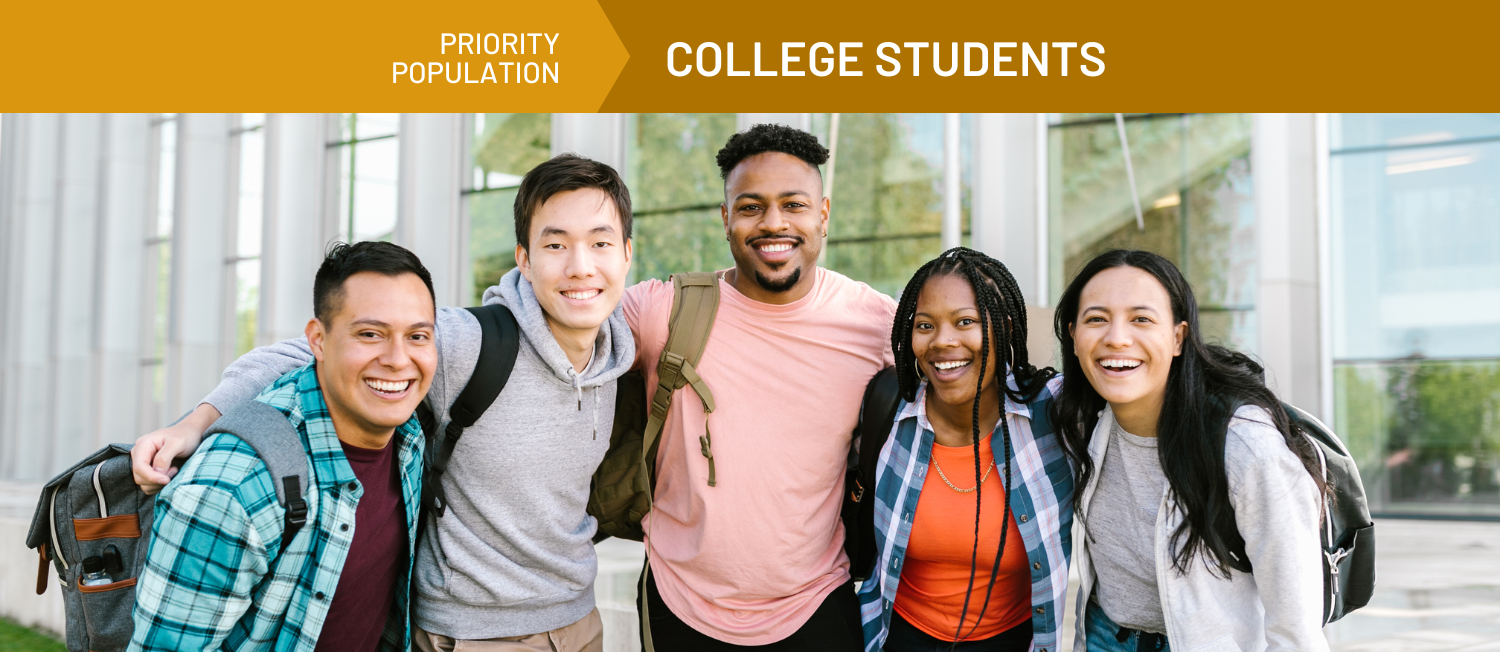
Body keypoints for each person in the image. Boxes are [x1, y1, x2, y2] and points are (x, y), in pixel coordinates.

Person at [131, 155, 636, 652]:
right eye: (555, 244)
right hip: (478, 634)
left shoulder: (620, 353)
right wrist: (197, 422)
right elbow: (304, 353)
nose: (580, 266)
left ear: (626, 254)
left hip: (579, 621)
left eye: (600, 243)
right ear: (524, 259)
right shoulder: (471, 343)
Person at [624, 123, 896, 651]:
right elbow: (559, 322)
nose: (774, 223)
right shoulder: (666, 310)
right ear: (725, 219)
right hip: (680, 601)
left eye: (794, 205)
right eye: (750, 207)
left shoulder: (875, 324)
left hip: (816, 603)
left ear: (823, 214)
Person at [130, 241, 437, 651]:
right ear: (318, 340)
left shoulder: (409, 437)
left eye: (417, 335)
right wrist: (197, 420)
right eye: (370, 334)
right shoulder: (232, 488)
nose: (399, 360)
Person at [1051, 250, 1329, 652]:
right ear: (1074, 336)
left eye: (1141, 319)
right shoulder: (1081, 418)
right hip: (1104, 636)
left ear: (1178, 337)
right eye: (1096, 319)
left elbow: (1297, 632)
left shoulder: (1245, 445)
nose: (1117, 337)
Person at [855, 248, 1072, 652]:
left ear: (1005, 329)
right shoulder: (888, 408)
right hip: (898, 634)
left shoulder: (1052, 413)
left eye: (965, 322)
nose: (943, 342)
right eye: (925, 325)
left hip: (1012, 638)